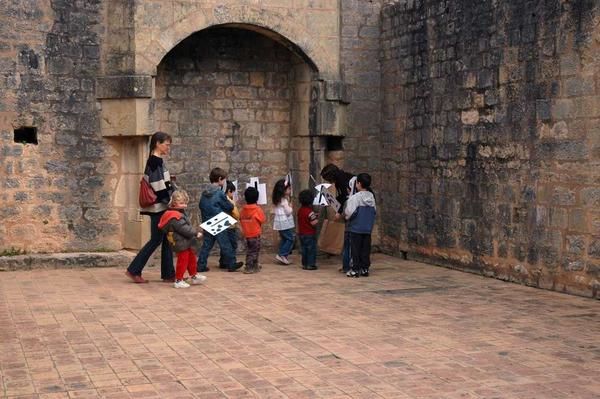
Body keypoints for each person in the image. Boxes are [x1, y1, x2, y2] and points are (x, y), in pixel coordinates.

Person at [125, 131, 175, 283]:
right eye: (167, 144)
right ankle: (134, 270)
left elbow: (161, 183)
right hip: (159, 207)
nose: (168, 148)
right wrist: (171, 201)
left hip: (161, 207)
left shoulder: (156, 161)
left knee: (166, 238)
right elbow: (158, 187)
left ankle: (168, 274)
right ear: (158, 144)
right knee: (156, 239)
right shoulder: (155, 161)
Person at [197, 168, 243, 273]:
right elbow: (228, 206)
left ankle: (200, 265)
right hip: (219, 220)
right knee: (225, 243)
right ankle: (231, 263)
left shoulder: (204, 193)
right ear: (219, 179)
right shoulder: (219, 193)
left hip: (207, 220)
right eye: (224, 180)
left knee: (207, 245)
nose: (225, 182)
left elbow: (201, 205)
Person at [158, 190, 207, 288]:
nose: (184, 205)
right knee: (183, 261)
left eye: (185, 203)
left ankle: (194, 275)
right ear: (174, 203)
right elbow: (183, 228)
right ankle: (178, 280)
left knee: (191, 258)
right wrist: (195, 233)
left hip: (185, 241)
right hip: (180, 241)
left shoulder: (178, 212)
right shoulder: (174, 215)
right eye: (181, 203)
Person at [320, 164, 355, 272]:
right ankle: (347, 265)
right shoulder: (342, 178)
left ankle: (348, 265)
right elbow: (341, 196)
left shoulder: (343, 180)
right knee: (348, 239)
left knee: (349, 239)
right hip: (350, 209)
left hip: (352, 211)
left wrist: (339, 211)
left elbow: (345, 197)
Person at [344, 173, 376, 278]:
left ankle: (355, 269)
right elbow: (374, 211)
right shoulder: (371, 197)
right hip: (367, 228)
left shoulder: (355, 198)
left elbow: (349, 212)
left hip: (356, 227)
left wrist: (347, 217)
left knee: (355, 249)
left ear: (359, 183)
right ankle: (365, 268)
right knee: (365, 249)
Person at [239, 187, 266, 274]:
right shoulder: (257, 209)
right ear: (257, 198)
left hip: (246, 234)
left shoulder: (243, 210)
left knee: (251, 250)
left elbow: (240, 218)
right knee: (254, 251)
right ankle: (249, 266)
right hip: (255, 234)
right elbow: (262, 219)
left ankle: (255, 265)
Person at [272, 178, 295, 265]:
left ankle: (282, 255)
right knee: (290, 239)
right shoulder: (284, 201)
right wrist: (290, 206)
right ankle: (282, 254)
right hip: (284, 222)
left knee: (284, 239)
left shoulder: (278, 199)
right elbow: (288, 211)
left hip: (280, 223)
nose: (290, 190)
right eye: (288, 189)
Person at [297, 189, 319, 270]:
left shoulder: (300, 210)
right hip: (310, 234)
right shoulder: (310, 212)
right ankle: (311, 264)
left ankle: (305, 264)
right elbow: (314, 223)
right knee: (311, 249)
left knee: (304, 249)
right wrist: (317, 218)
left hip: (301, 233)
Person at [223, 180, 240, 269]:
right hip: (230, 226)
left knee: (225, 245)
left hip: (224, 225)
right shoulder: (229, 201)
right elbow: (236, 214)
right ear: (229, 191)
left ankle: (223, 261)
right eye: (232, 192)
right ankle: (231, 262)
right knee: (232, 245)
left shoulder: (221, 199)